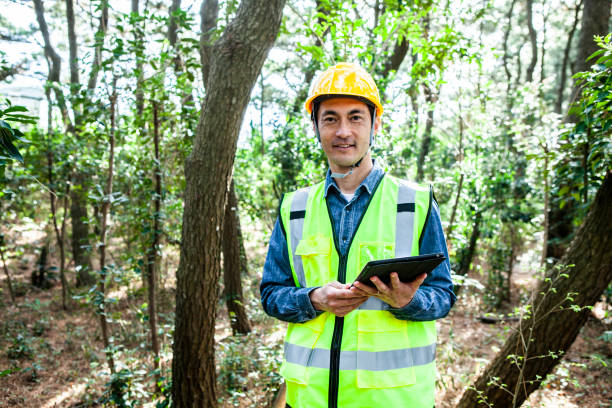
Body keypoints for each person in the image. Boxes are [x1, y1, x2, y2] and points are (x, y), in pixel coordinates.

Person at [260, 62, 455, 408]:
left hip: (392, 400)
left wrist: (409, 302)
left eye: (355, 117)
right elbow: (272, 294)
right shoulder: (295, 208)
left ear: (375, 124)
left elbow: (443, 295)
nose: (343, 131)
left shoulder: (415, 203)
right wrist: (313, 299)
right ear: (317, 127)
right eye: (330, 118)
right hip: (309, 399)